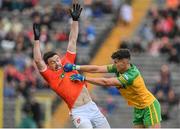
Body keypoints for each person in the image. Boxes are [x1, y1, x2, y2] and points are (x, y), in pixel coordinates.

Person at [32, 3, 110, 128]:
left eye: (57, 59)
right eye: (53, 62)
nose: (57, 62)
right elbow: (37, 60)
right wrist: (36, 40)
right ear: (49, 65)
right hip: (78, 112)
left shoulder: (67, 61)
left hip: (92, 106)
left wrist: (75, 20)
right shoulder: (50, 76)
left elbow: (72, 39)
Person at [64, 49, 162, 128]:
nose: (114, 64)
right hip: (138, 108)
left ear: (124, 62)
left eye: (116, 62)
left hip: (149, 105)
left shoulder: (131, 75)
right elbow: (97, 69)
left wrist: (84, 78)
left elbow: (106, 82)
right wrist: (75, 67)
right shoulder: (119, 67)